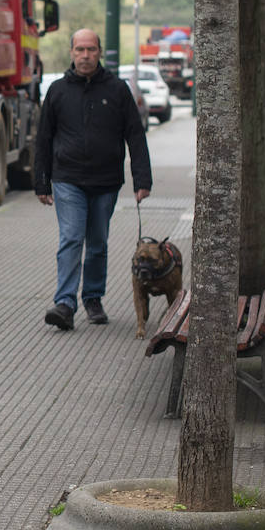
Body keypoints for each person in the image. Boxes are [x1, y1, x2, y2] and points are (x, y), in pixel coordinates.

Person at [34, 27, 152, 331]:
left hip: (106, 181)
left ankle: (93, 297)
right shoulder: (58, 91)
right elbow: (44, 139)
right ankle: (65, 303)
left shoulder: (117, 89)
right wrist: (41, 181)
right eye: (79, 50)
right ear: (71, 53)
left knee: (97, 243)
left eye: (91, 49)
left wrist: (143, 179)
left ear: (99, 52)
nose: (85, 55)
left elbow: (135, 135)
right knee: (72, 237)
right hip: (67, 178)